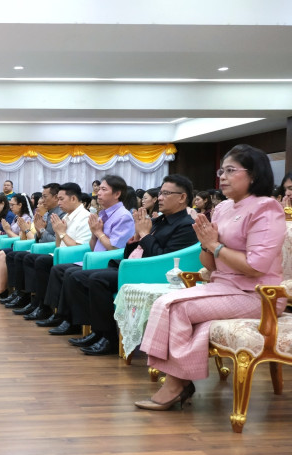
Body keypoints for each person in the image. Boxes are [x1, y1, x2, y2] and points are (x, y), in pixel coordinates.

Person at [135, 144, 285, 410]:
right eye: (221, 171)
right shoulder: (224, 208)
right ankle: (179, 380)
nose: (222, 177)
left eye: (231, 170)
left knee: (176, 307)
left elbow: (256, 266)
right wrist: (207, 245)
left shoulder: (266, 208)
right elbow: (210, 264)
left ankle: (176, 384)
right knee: (168, 302)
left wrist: (215, 245)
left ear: (253, 175)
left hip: (258, 295)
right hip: (223, 286)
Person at [65, 174, 198, 355]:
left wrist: (145, 235)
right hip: (135, 266)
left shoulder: (186, 226)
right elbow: (135, 251)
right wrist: (135, 238)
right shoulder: (157, 221)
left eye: (166, 194)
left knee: (97, 279)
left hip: (152, 273)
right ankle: (97, 332)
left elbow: (165, 259)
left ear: (182, 197)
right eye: (160, 193)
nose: (160, 198)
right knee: (78, 276)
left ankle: (109, 339)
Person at [33, 175, 134, 331]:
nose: (98, 193)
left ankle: (72, 321)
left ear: (117, 194)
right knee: (61, 270)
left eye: (103, 189)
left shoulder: (123, 216)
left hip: (108, 262)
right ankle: (61, 315)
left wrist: (98, 232)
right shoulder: (103, 214)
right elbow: (94, 247)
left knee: (69, 273)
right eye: (99, 189)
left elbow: (115, 248)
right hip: (94, 257)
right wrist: (94, 234)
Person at [13, 182, 91, 325]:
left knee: (43, 262)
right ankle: (35, 302)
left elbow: (80, 247)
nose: (59, 202)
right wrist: (55, 232)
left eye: (61, 199)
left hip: (76, 257)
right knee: (30, 258)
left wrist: (60, 233)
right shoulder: (66, 216)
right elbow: (58, 244)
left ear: (73, 198)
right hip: (62, 253)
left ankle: (49, 309)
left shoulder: (85, 217)